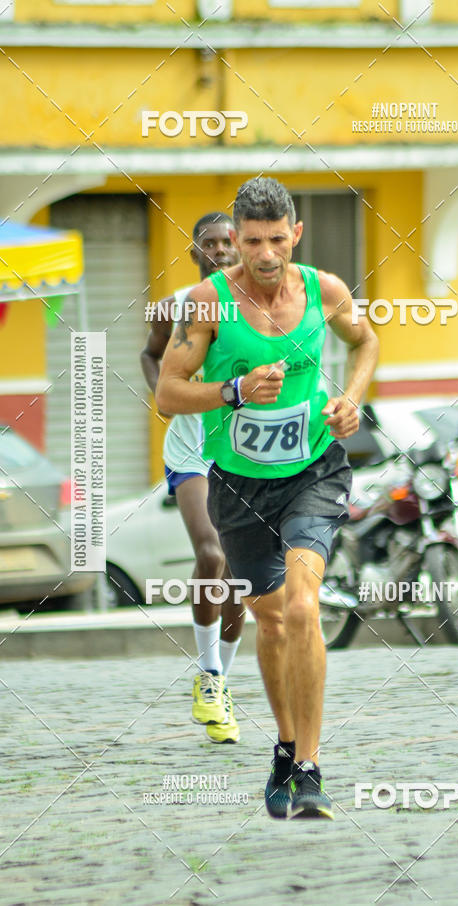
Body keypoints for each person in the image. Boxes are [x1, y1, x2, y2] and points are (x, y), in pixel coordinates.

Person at [156, 177, 379, 819]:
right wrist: (233, 390)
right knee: (274, 619)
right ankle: (284, 746)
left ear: (295, 235)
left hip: (313, 471)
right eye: (251, 241)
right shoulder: (207, 304)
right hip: (238, 485)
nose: (263, 254)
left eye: (276, 240)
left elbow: (365, 341)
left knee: (305, 607)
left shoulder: (324, 290)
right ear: (236, 240)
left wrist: (351, 400)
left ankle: (309, 768)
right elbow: (168, 394)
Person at [140, 212, 244, 744]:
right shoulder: (175, 306)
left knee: (243, 575)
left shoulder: (263, 308)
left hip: (247, 456)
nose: (222, 250)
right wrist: (164, 394)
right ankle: (208, 677)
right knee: (212, 554)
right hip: (191, 452)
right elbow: (150, 353)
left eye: (230, 241)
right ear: (196, 252)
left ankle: (223, 679)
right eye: (211, 243)